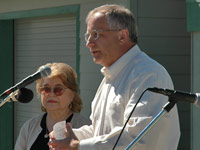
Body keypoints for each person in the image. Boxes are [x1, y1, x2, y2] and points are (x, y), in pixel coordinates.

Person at [48, 4, 180, 150]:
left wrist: (78, 146)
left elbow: (139, 139)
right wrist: (71, 136)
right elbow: (100, 132)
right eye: (88, 35)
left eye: (96, 34)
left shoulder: (148, 74)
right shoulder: (111, 76)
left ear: (122, 36)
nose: (88, 43)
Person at [14, 62, 91, 150]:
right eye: (46, 89)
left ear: (72, 95)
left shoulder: (85, 128)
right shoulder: (29, 126)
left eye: (58, 89)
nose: (51, 94)